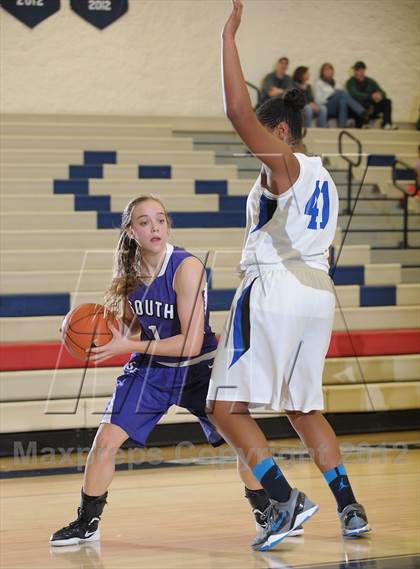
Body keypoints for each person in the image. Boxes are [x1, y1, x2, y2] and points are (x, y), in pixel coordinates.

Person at [207, 0, 371, 552]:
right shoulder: (324, 174)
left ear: (281, 131)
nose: (256, 139)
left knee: (225, 408)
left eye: (264, 129)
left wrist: (227, 37)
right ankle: (349, 506)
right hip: (317, 294)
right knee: (303, 408)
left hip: (275, 286)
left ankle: (283, 499)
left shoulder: (287, 164)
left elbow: (235, 112)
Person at [50, 196, 223, 546]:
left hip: (197, 367)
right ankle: (87, 522)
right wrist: (92, 335)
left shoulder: (186, 266)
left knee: (240, 439)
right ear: (131, 231)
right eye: (144, 222)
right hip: (151, 368)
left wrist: (129, 346)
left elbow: (189, 344)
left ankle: (269, 507)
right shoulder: (129, 273)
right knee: (104, 442)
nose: (155, 227)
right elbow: (134, 328)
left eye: (160, 219)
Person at [314, 63, 369, 128]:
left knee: (343, 101)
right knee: (341, 93)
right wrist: (331, 96)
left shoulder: (336, 83)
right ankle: (361, 111)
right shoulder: (318, 83)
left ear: (333, 71)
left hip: (336, 108)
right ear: (322, 72)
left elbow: (344, 96)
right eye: (326, 69)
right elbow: (318, 101)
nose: (328, 71)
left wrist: (336, 95)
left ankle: (342, 127)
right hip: (326, 107)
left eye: (330, 69)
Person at [346, 61, 397, 129]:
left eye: (358, 70)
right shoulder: (350, 82)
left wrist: (379, 95)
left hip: (371, 108)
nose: (356, 72)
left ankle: (386, 124)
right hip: (359, 109)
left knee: (387, 101)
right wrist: (371, 96)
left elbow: (383, 92)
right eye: (355, 70)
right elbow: (354, 94)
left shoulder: (370, 81)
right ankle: (363, 124)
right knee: (359, 107)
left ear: (363, 71)